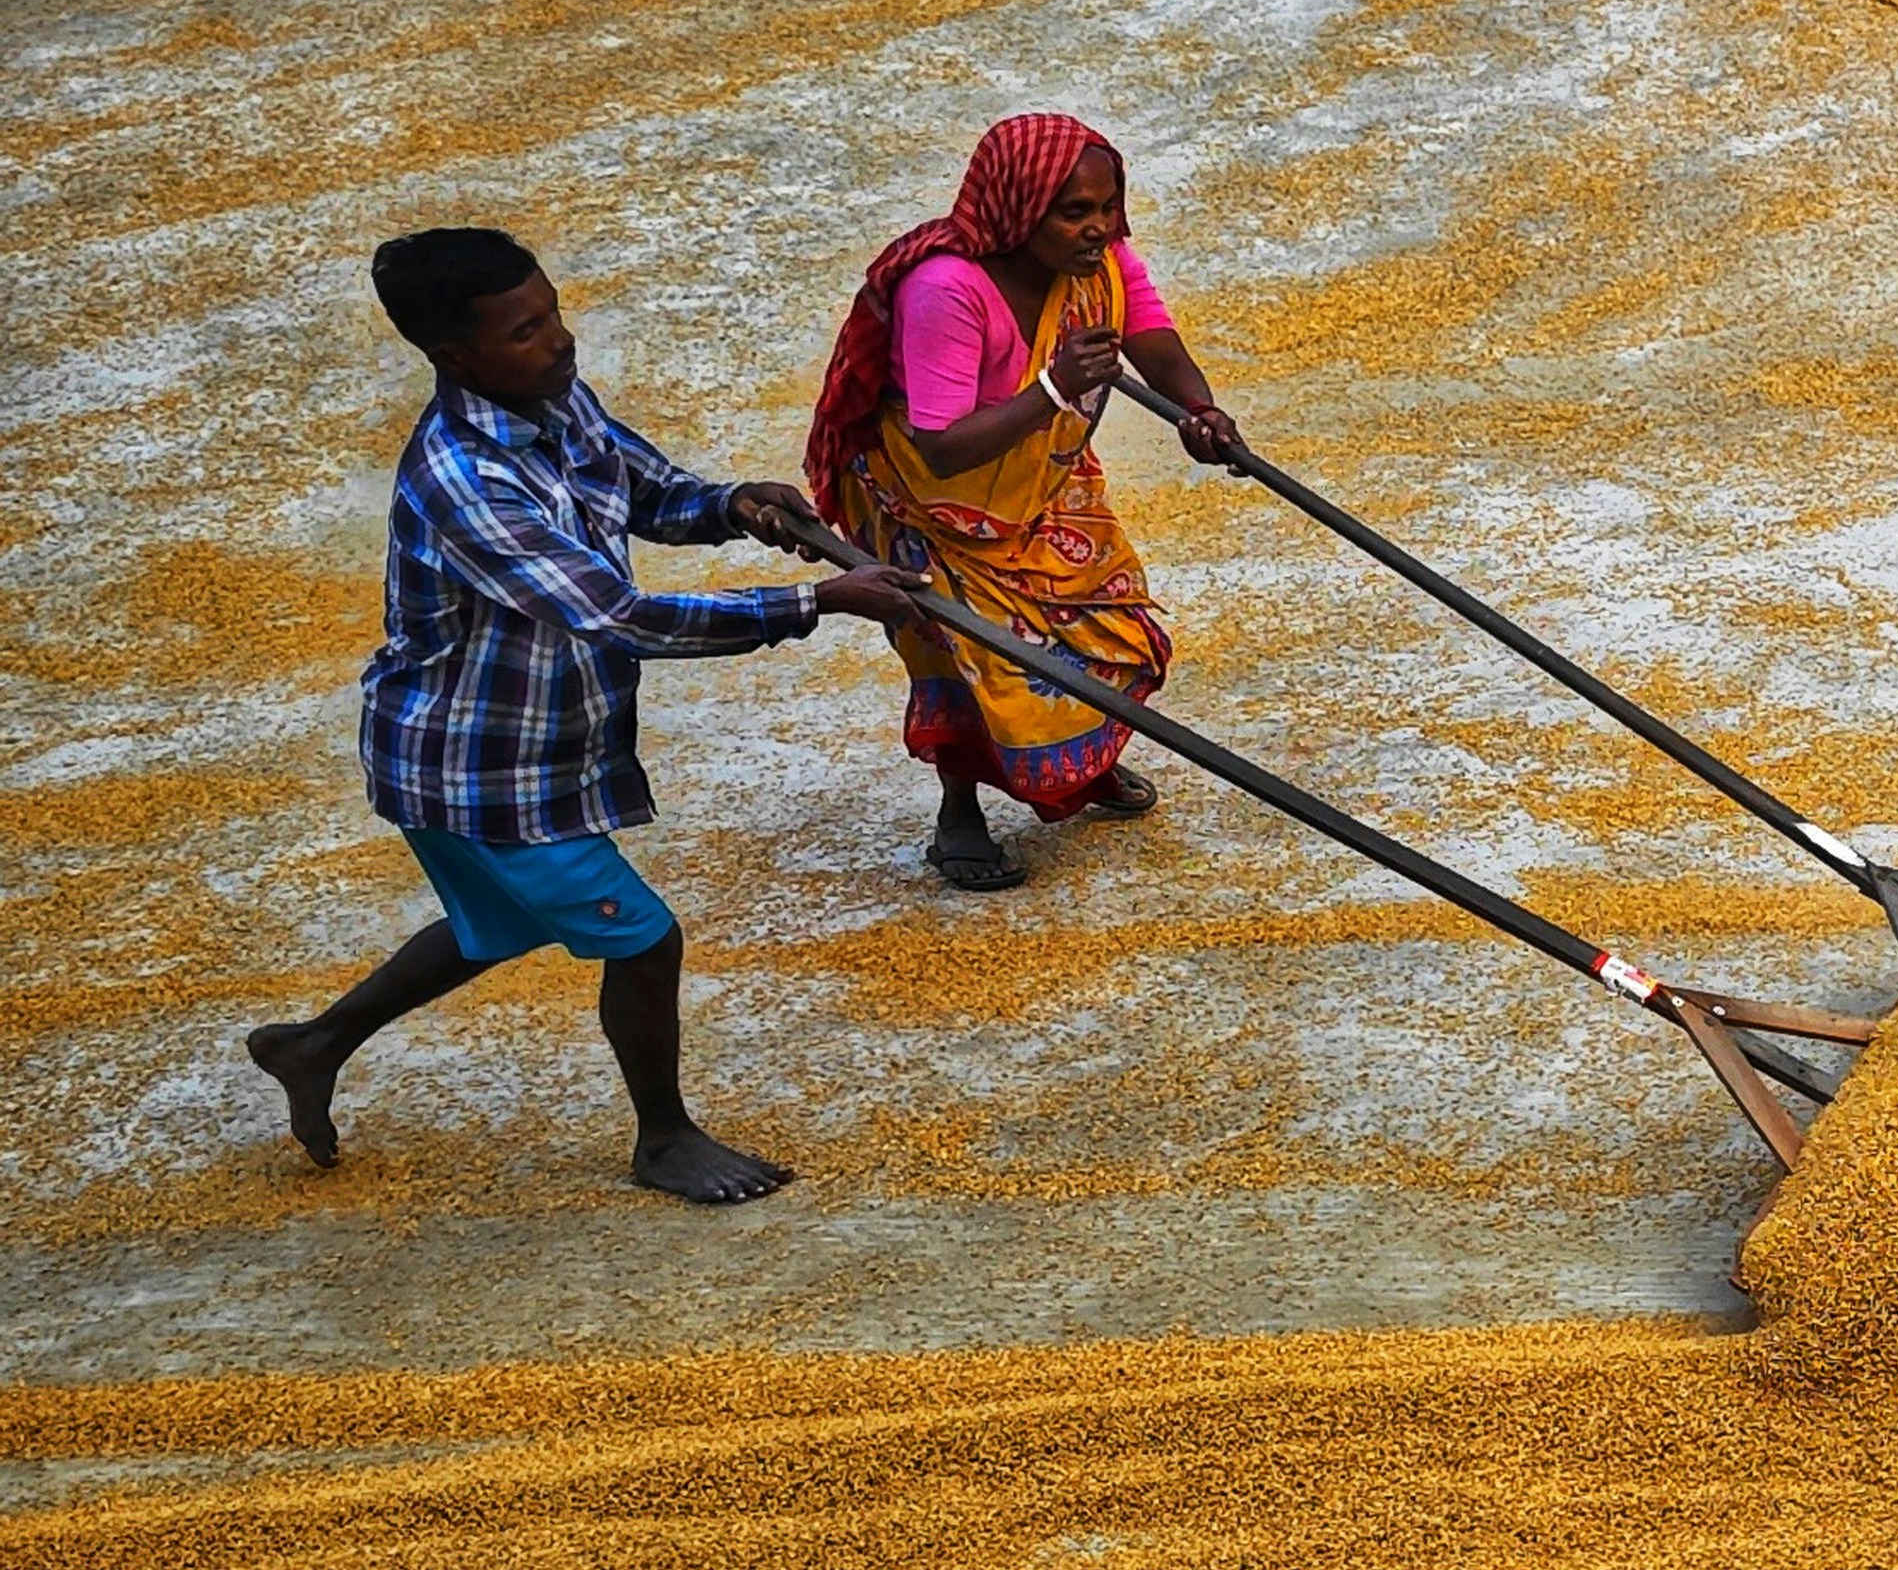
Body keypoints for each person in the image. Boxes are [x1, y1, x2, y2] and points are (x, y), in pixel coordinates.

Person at [247, 229, 923, 1204]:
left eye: (554, 311)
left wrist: (735, 504)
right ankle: (663, 1139)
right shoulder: (464, 482)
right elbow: (619, 616)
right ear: (455, 359)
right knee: (644, 939)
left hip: (513, 752)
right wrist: (817, 604)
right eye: (527, 330)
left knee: (499, 926)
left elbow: (644, 489)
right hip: (477, 773)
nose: (560, 340)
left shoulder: (553, 399)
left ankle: (310, 1046)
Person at [805, 110, 1247, 891]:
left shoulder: (1103, 264)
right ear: (1017, 210)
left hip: (1039, 486)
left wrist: (1201, 412)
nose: (1099, 228)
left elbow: (1151, 340)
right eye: (1074, 212)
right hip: (931, 505)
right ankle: (959, 816)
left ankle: (1084, 766)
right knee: (975, 665)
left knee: (1110, 631)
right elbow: (941, 444)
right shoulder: (946, 289)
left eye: (1107, 207)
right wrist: (1055, 388)